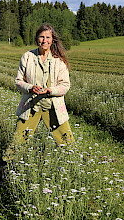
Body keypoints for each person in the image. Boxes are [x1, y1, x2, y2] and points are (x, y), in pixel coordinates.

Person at [6, 23, 74, 159]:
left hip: (53, 107)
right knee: (17, 141)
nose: (44, 40)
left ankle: (73, 167)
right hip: (31, 106)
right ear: (37, 38)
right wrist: (30, 88)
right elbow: (18, 81)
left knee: (67, 142)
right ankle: (7, 167)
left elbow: (65, 85)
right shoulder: (27, 57)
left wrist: (51, 90)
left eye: (47, 37)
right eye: (41, 37)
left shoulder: (59, 60)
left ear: (52, 40)